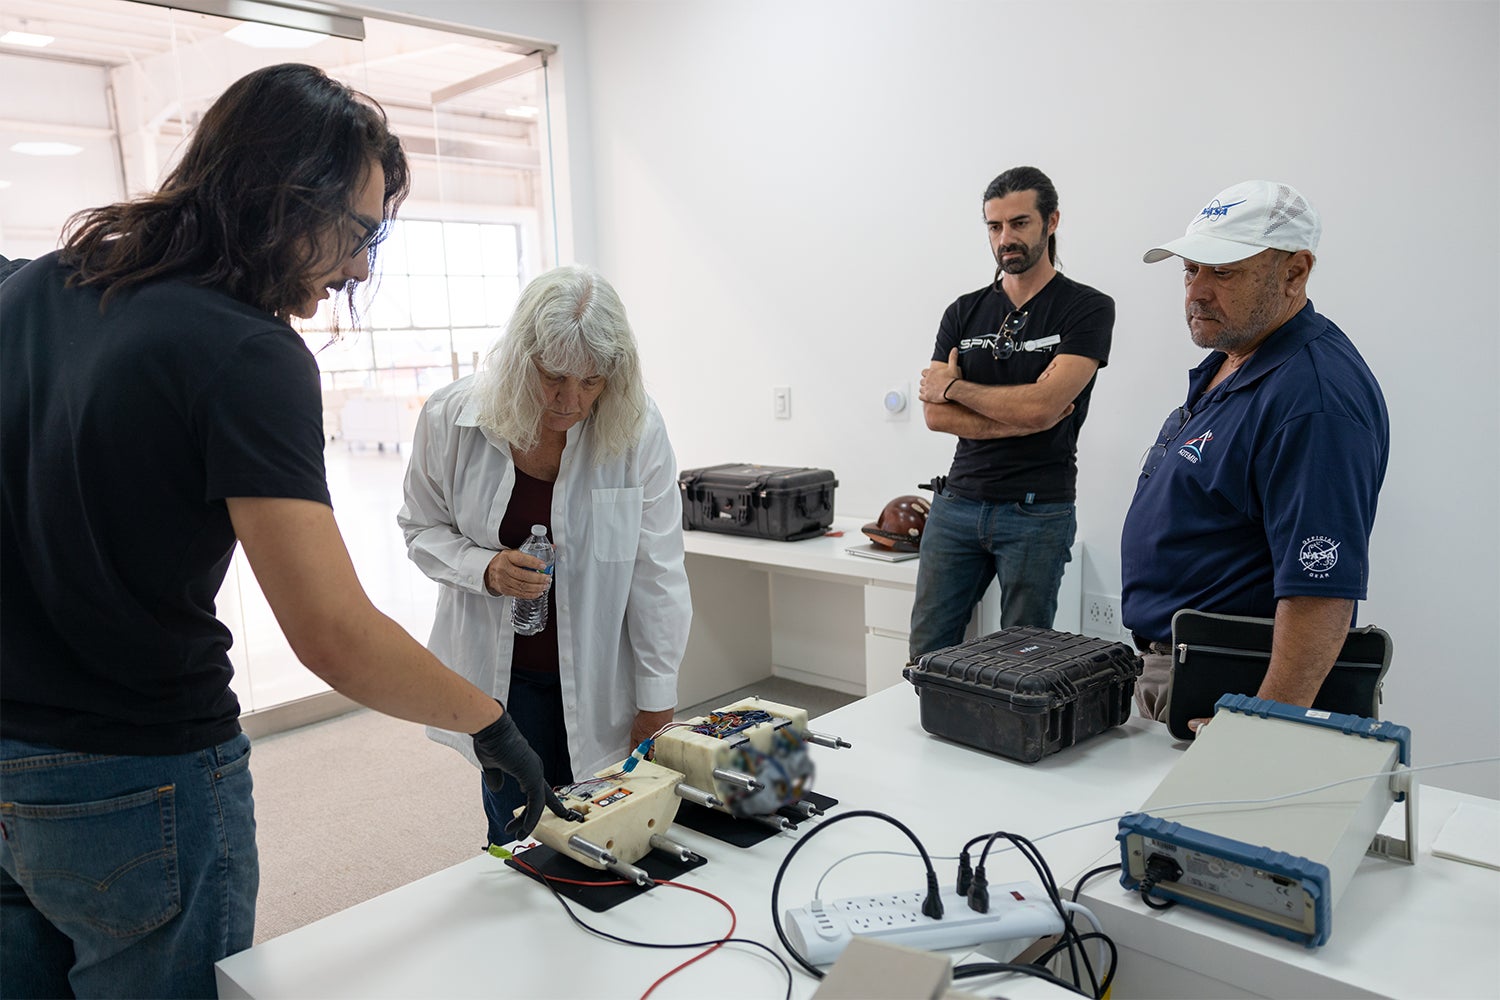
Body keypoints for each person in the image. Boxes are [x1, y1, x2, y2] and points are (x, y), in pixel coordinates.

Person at [0, 63, 570, 999]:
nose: (357, 266)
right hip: (142, 774)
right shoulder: (248, 353)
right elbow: (332, 632)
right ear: (282, 192)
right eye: (359, 232)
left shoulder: (33, 292)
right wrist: (492, 724)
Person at [399, 264, 692, 848]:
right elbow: (419, 527)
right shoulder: (450, 419)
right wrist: (483, 567)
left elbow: (656, 570)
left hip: (602, 671)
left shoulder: (636, 427)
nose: (570, 400)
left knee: (608, 826)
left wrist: (657, 699)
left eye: (591, 381)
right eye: (553, 376)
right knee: (518, 830)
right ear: (519, 360)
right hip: (501, 679)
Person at [1120, 179, 1390, 726]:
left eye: (1223, 272)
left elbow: (1320, 594)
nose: (1197, 291)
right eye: (1190, 269)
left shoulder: (1313, 398)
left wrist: (1261, 727)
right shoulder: (1239, 356)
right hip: (1176, 668)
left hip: (1232, 690)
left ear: (1295, 273)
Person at [911, 166, 1115, 658]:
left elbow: (1044, 407)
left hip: (1037, 510)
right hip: (956, 504)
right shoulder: (963, 311)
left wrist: (957, 386)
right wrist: (1026, 414)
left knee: (1022, 660)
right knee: (925, 653)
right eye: (994, 226)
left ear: (1052, 221)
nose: (1006, 238)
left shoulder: (1086, 308)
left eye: (1019, 223)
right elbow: (935, 417)